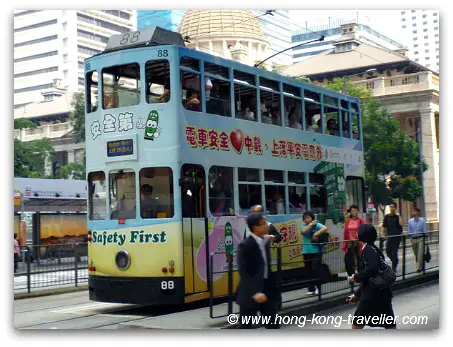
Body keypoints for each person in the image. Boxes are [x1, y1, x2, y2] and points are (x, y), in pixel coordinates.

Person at [236, 212, 281, 329]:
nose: (267, 225)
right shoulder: (246, 245)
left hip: (267, 289)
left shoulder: (264, 242)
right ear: (256, 228)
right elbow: (243, 271)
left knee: (273, 324)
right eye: (264, 223)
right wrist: (255, 291)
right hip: (250, 292)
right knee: (245, 326)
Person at [346, 224, 396, 329]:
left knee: (357, 323)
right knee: (390, 325)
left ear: (362, 235)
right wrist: (357, 294)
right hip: (382, 293)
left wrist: (355, 277)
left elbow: (371, 270)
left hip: (372, 296)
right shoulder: (373, 248)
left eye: (358, 231)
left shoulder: (368, 250)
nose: (356, 233)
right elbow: (371, 276)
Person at [301, 211, 328, 295]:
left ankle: (318, 288)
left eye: (308, 218)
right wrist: (311, 225)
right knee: (308, 270)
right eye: (305, 218)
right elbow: (303, 232)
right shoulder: (304, 226)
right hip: (306, 250)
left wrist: (316, 233)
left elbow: (324, 228)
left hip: (317, 250)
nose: (307, 220)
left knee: (315, 268)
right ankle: (311, 289)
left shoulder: (317, 225)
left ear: (312, 218)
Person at [342, 205, 365, 276]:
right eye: (353, 211)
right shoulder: (348, 221)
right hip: (350, 243)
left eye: (356, 210)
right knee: (348, 261)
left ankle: (360, 276)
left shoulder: (361, 221)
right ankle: (352, 276)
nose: (355, 212)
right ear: (351, 212)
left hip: (358, 243)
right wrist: (345, 242)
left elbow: (364, 231)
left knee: (360, 260)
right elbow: (345, 232)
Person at [382, 202, 403, 272]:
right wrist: (383, 235)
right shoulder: (387, 217)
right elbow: (384, 226)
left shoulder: (397, 216)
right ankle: (395, 260)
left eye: (393, 207)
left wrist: (399, 216)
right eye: (390, 207)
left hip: (397, 237)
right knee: (388, 251)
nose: (391, 208)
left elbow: (401, 224)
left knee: (394, 252)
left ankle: (394, 268)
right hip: (390, 237)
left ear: (395, 208)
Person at [407, 207, 427, 272]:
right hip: (413, 239)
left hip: (421, 238)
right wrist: (411, 237)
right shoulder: (410, 221)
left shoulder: (422, 220)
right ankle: (420, 264)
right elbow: (409, 231)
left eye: (414, 211)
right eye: (412, 211)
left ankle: (419, 267)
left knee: (420, 253)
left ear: (418, 212)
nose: (413, 212)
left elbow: (424, 230)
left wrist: (425, 240)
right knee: (416, 254)